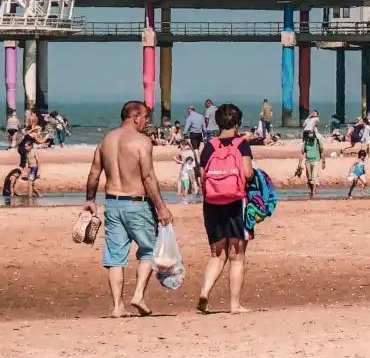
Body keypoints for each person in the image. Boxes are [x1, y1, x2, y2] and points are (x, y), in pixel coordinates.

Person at [84, 100, 175, 318]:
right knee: (150, 249)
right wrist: (161, 207)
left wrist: (89, 200)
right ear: (135, 117)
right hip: (136, 203)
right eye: (145, 118)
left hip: (112, 204)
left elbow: (94, 174)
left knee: (115, 258)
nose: (146, 122)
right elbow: (148, 176)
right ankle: (138, 296)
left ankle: (117, 306)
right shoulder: (141, 142)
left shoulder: (106, 140)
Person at [196, 102, 254, 315]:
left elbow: (202, 174)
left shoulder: (209, 145)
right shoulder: (241, 144)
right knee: (237, 255)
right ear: (237, 123)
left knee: (216, 254)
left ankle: (205, 291)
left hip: (212, 203)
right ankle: (234, 305)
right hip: (236, 201)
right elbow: (247, 173)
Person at [299, 123, 325, 198]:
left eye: (312, 137)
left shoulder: (318, 142)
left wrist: (323, 161)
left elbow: (322, 152)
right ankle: (312, 190)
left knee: (314, 177)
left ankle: (313, 192)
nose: (311, 139)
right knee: (309, 178)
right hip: (308, 161)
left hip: (316, 160)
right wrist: (300, 164)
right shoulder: (305, 142)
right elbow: (302, 153)